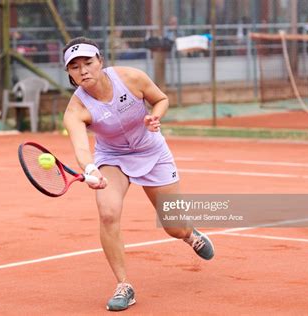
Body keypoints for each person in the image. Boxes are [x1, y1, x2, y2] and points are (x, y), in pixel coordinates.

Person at [62, 37, 214, 312]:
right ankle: (124, 285)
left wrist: (155, 116)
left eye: (88, 62)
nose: (83, 70)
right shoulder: (76, 109)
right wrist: (90, 169)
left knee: (173, 227)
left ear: (101, 62)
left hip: (152, 152)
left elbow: (161, 99)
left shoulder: (131, 78)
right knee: (107, 212)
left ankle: (189, 234)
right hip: (113, 159)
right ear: (69, 74)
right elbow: (82, 148)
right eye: (75, 66)